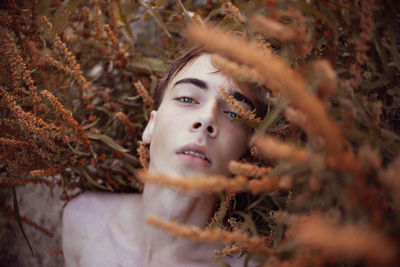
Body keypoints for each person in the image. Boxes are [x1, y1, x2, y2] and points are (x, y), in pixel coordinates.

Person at [62, 46, 267, 267]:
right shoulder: (85, 221)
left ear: (245, 156)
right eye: (188, 99)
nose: (207, 118)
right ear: (151, 125)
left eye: (234, 114)